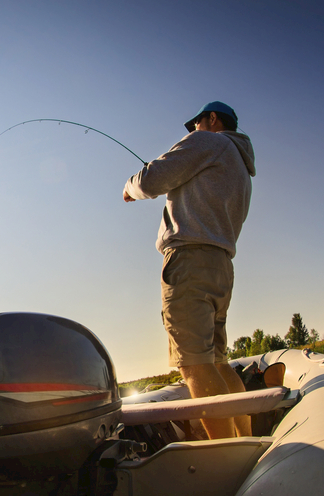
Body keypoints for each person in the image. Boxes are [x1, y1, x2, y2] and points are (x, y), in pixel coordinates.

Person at [122, 101, 256, 440]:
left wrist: (130, 187)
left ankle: (229, 459)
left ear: (211, 120)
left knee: (194, 364)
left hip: (190, 263)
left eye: (194, 125)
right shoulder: (240, 165)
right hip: (221, 267)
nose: (191, 132)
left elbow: (152, 180)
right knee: (219, 362)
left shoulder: (209, 141)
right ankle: (247, 441)